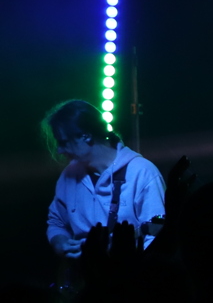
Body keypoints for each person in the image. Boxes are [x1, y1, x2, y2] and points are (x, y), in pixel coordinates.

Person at [42, 99, 165, 259]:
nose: (59, 150)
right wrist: (60, 242)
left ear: (86, 136)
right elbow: (56, 222)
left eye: (63, 142)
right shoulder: (68, 175)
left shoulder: (142, 172)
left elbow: (158, 235)